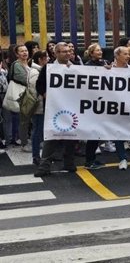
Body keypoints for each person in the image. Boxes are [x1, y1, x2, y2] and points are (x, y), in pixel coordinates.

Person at [34, 43, 77, 177]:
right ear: (56, 53)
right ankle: (44, 166)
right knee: (52, 136)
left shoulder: (76, 68)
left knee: (72, 136)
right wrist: (46, 95)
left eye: (68, 51)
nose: (67, 54)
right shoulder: (49, 68)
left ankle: (69, 163)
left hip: (71, 108)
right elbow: (39, 85)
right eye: (64, 52)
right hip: (54, 108)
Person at [9, 44, 32, 152]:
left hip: (29, 95)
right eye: (22, 51)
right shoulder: (17, 64)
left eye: (26, 50)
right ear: (17, 54)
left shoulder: (29, 63)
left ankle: (27, 140)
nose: (25, 53)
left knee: (28, 119)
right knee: (23, 120)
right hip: (21, 95)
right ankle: (24, 142)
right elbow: (24, 79)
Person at [28, 50, 47, 165]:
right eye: (46, 57)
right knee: (37, 132)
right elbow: (35, 91)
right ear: (40, 59)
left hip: (39, 106)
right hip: (39, 107)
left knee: (38, 131)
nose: (48, 59)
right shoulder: (36, 72)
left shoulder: (35, 70)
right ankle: (36, 156)